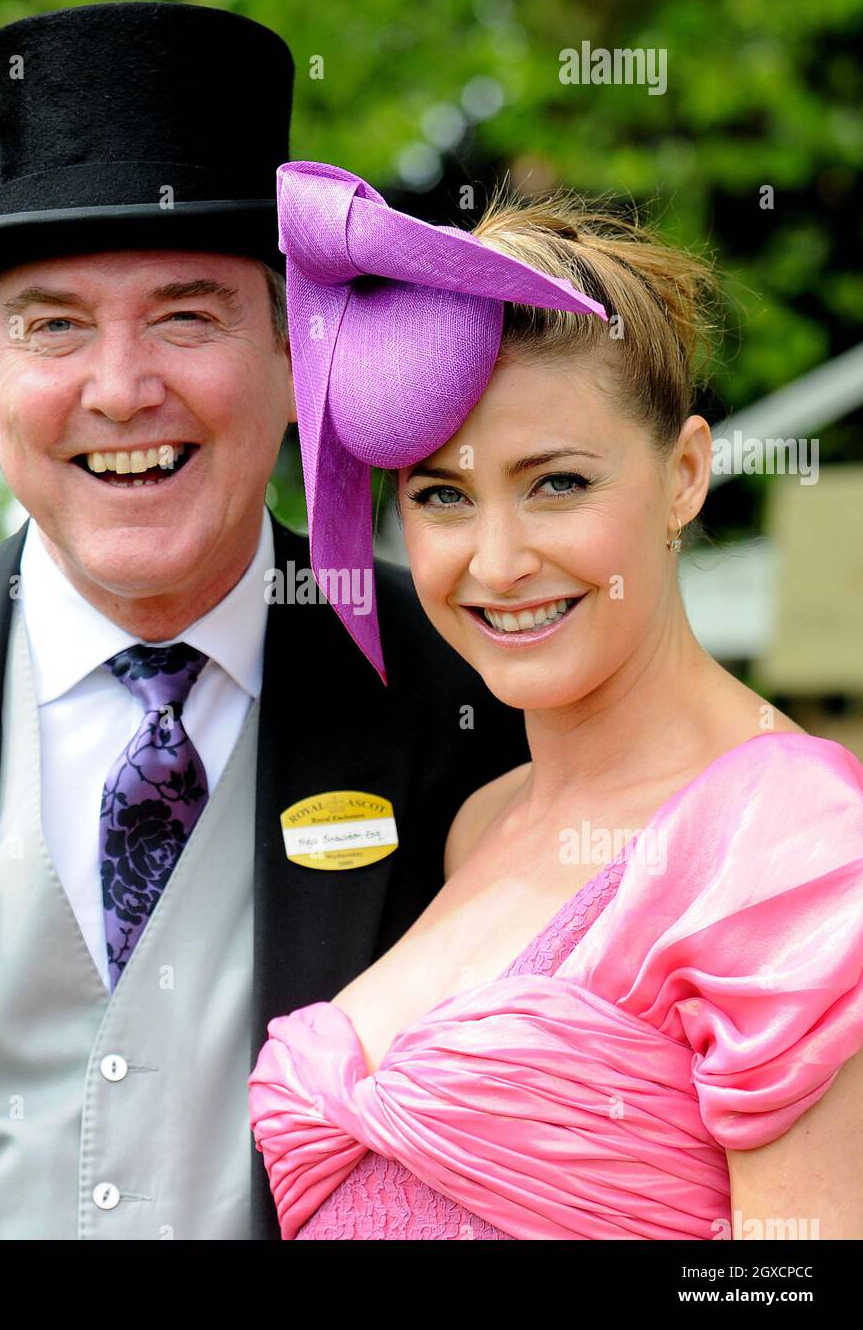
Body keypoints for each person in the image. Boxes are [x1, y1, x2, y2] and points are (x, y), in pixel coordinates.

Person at [0, 5, 529, 1242]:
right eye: (54, 325)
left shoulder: (470, 696)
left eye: (187, 316)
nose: (121, 388)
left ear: (298, 355)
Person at [248, 161, 863, 1239]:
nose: (496, 559)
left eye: (557, 483)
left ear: (682, 474)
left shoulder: (794, 843)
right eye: (442, 495)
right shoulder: (477, 822)